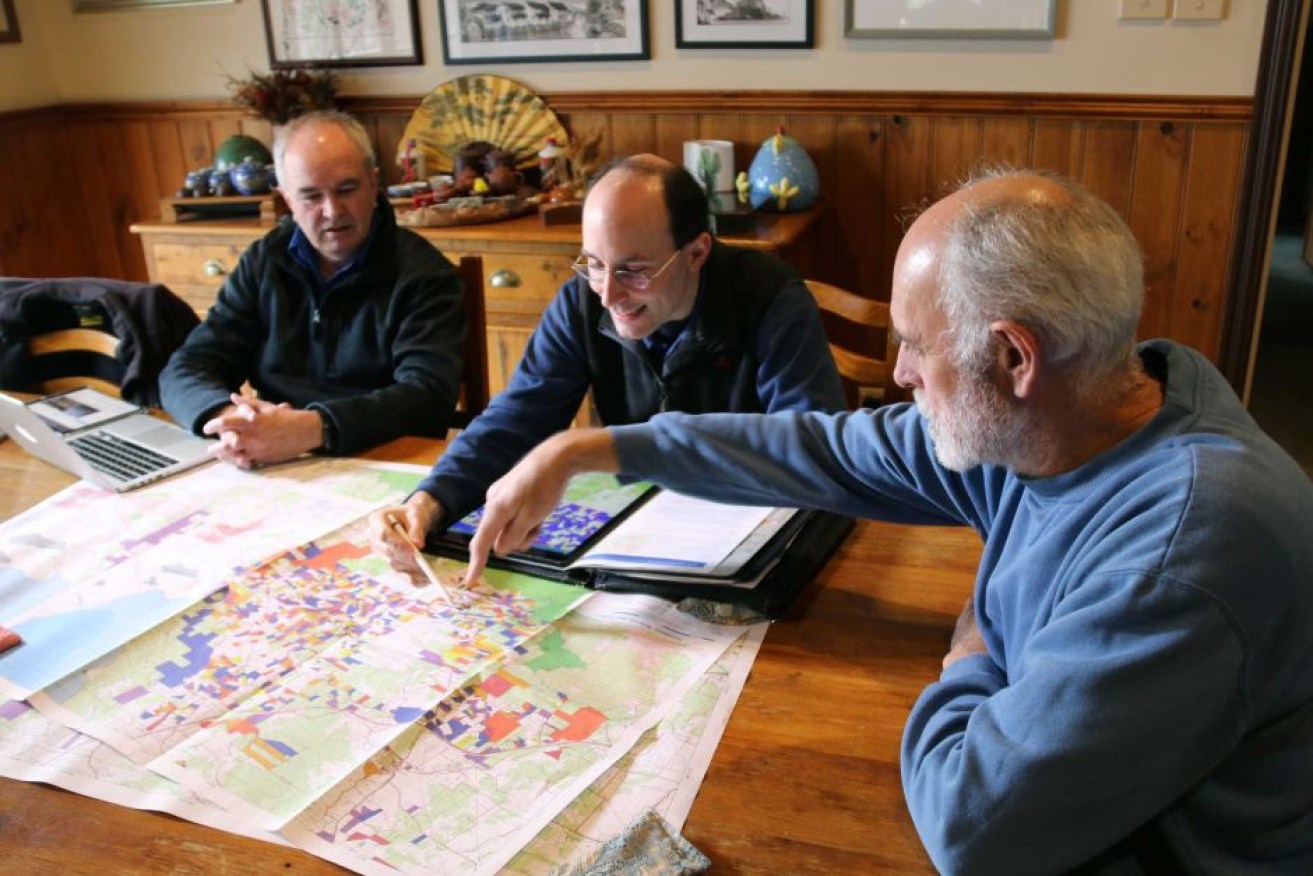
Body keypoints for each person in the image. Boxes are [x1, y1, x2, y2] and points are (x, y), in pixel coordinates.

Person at [463, 169, 1313, 874]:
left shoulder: (1179, 558)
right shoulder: (1065, 419)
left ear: (1015, 357)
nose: (897, 373)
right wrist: (585, 452)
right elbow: (817, 449)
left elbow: (973, 829)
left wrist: (972, 653)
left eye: (915, 344)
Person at [370, 154, 844, 574]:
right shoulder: (583, 299)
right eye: (594, 263)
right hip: (634, 538)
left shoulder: (772, 300)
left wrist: (595, 448)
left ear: (697, 252)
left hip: (748, 536)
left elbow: (809, 450)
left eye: (635, 271)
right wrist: (429, 502)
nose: (609, 295)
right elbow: (517, 417)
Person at [159, 111, 465, 467]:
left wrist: (312, 429)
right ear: (286, 198)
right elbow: (186, 367)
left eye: (346, 189)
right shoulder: (264, 261)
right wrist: (232, 421)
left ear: (373, 183)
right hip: (271, 460)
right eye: (311, 197)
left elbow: (426, 399)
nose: (333, 211)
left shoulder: (426, 276)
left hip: (382, 460)